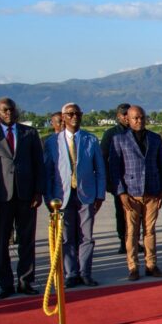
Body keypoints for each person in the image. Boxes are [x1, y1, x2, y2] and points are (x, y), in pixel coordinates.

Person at [0, 97, 44, 299]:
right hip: (0, 197)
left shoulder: (29, 133)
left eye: (12, 110)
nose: (9, 113)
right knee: (1, 243)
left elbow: (38, 164)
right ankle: (5, 285)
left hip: (26, 196)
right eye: (5, 110)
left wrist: (38, 191)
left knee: (27, 241)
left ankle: (26, 281)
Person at [44, 103, 105, 288]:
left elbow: (100, 170)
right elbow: (48, 173)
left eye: (78, 113)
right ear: (63, 117)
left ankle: (85, 272)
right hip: (62, 196)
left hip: (86, 194)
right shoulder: (52, 142)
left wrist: (100, 195)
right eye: (70, 114)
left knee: (86, 236)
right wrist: (48, 198)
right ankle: (71, 273)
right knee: (67, 237)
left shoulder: (91, 140)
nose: (74, 117)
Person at [108, 106, 162, 281]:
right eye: (135, 118)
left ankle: (151, 265)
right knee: (132, 232)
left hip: (152, 192)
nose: (139, 121)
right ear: (127, 119)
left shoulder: (155, 138)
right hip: (131, 192)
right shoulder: (119, 139)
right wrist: (121, 193)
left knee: (150, 231)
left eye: (142, 117)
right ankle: (133, 266)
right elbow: (115, 169)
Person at [101, 103, 131, 253]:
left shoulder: (137, 131)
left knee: (135, 214)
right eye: (124, 114)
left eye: (128, 113)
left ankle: (133, 240)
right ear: (118, 116)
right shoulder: (111, 134)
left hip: (137, 182)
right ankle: (123, 239)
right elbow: (103, 158)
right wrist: (108, 181)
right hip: (119, 181)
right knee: (121, 212)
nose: (127, 117)